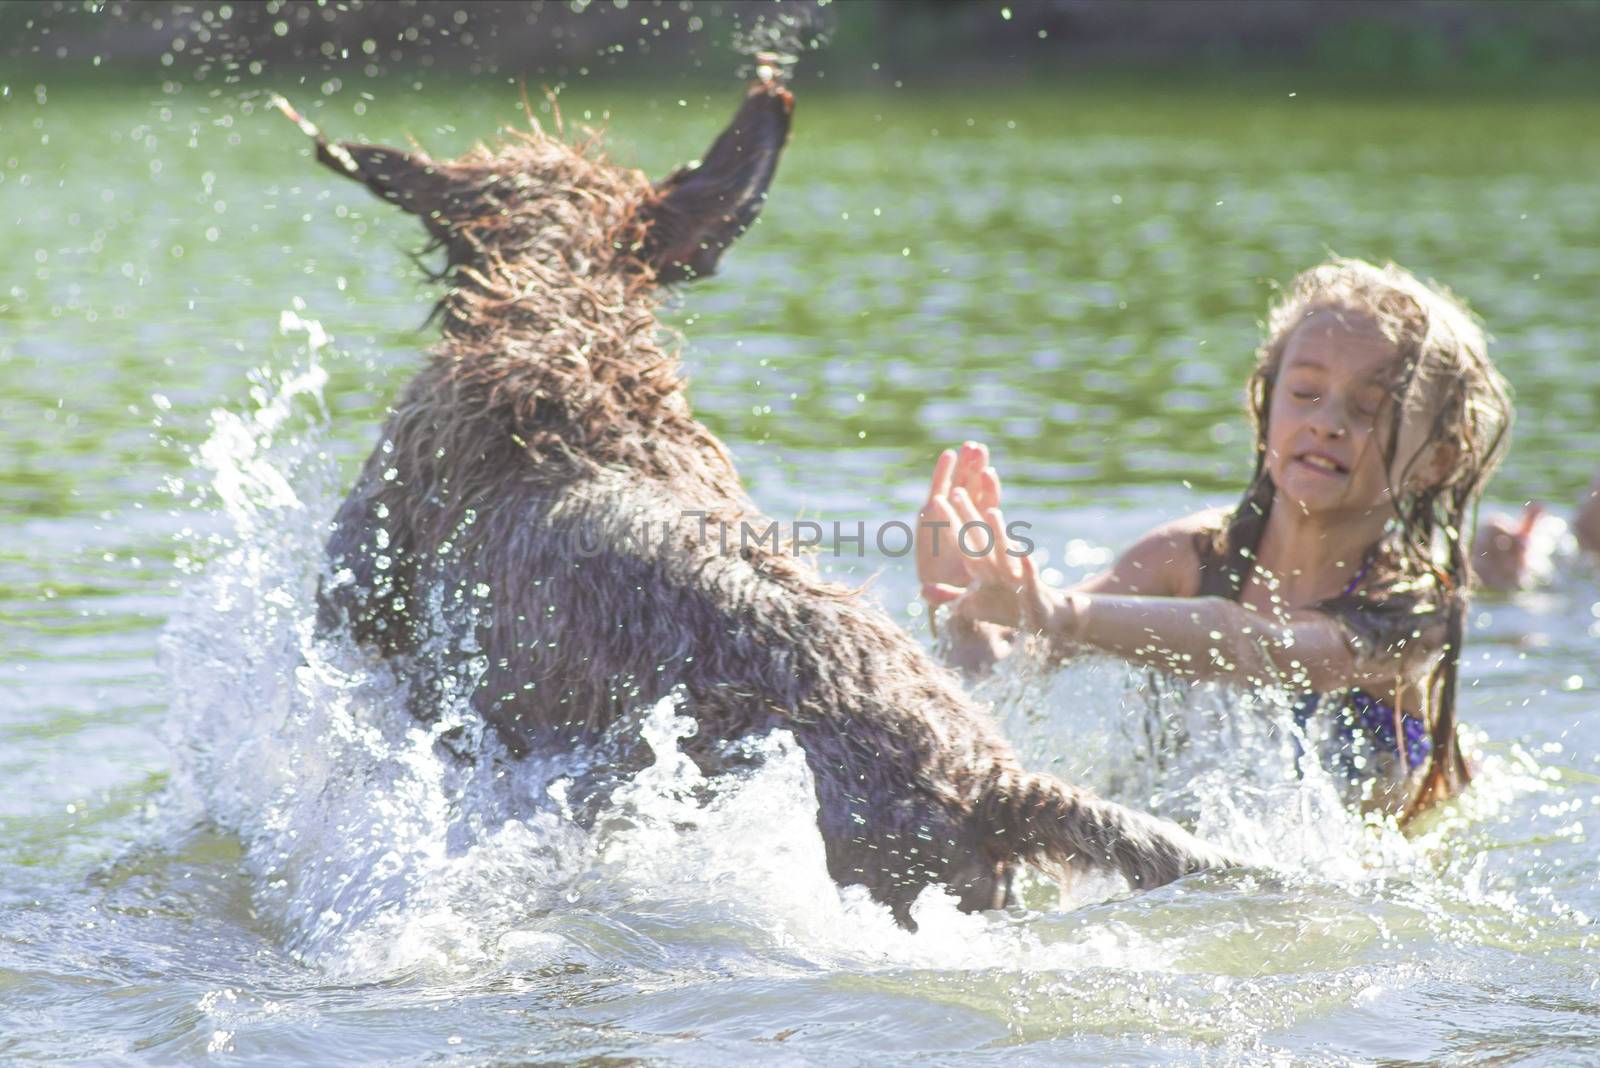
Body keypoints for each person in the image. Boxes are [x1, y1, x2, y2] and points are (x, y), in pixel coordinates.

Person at [916, 259, 1512, 821]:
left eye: (1368, 409)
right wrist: (963, 615)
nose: (1326, 422)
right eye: (1305, 392)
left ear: (1437, 459)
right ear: (1264, 403)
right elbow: (1014, 667)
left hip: (1377, 870)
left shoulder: (1412, 609)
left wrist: (1059, 612)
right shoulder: (1188, 558)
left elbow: (1263, 649)